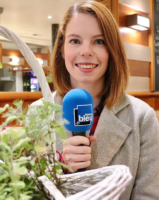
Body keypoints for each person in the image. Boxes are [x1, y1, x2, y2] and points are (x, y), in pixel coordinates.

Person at [31, 1, 159, 199]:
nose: (86, 51)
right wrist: (61, 168)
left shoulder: (142, 118)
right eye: (75, 41)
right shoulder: (37, 114)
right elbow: (26, 190)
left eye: (99, 41)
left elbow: (149, 195)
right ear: (62, 50)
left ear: (112, 50)